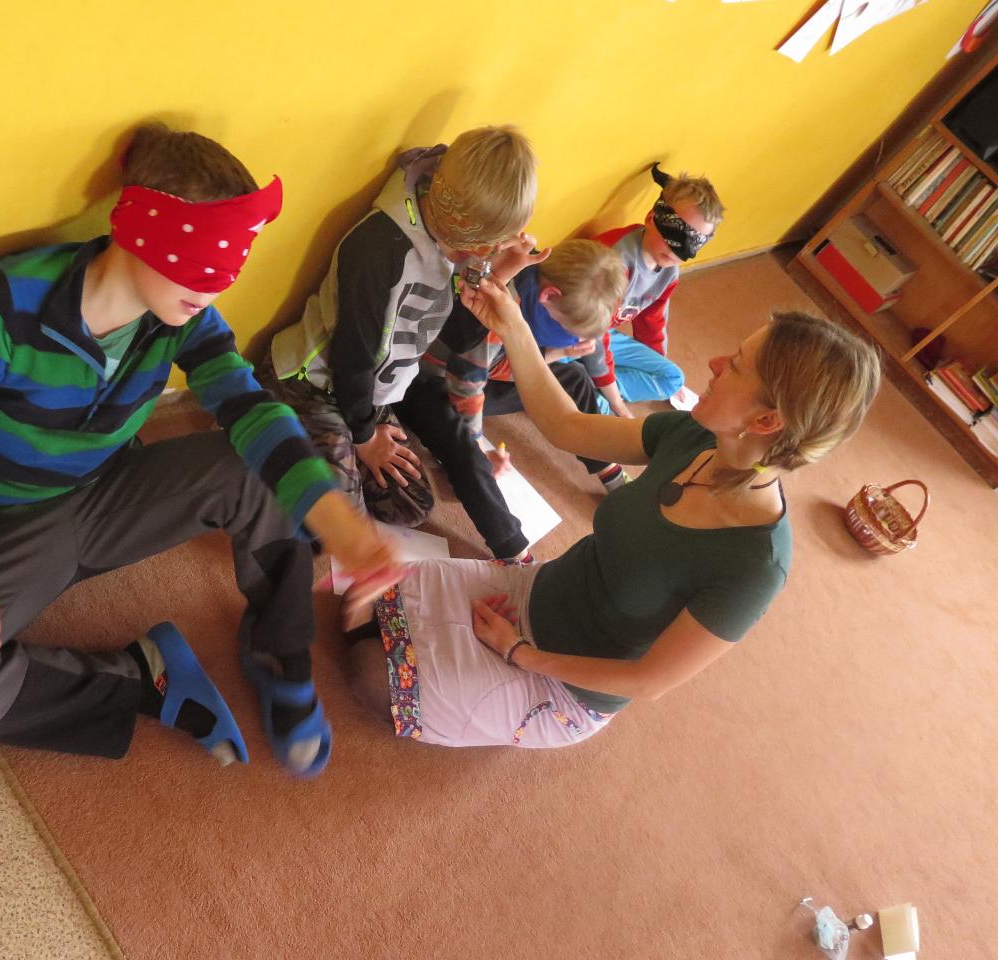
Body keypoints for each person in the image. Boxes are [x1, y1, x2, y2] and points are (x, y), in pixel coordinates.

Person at [0, 122, 399, 778]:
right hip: (9, 524)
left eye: (225, 274)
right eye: (199, 268)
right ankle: (141, 677)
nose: (212, 292)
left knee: (263, 466)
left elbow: (251, 411)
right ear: (140, 232)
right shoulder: (5, 302)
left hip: (109, 494)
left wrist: (339, 524)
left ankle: (279, 655)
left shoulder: (185, 318)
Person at [342, 276, 880, 748]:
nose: (715, 364)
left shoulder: (756, 562)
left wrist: (520, 653)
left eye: (735, 366)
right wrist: (512, 324)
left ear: (765, 422)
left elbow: (648, 681)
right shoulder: (695, 435)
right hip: (538, 590)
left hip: (565, 684)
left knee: (369, 673)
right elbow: (567, 426)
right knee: (363, 606)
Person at [262, 126, 537, 561]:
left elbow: (453, 336)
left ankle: (323, 454)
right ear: (460, 225)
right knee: (331, 534)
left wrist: (497, 274)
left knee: (411, 506)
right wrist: (364, 436)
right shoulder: (378, 246)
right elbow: (351, 359)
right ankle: (267, 432)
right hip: (311, 381)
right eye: (481, 247)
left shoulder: (455, 241)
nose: (481, 256)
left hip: (373, 391)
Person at [422, 236, 631, 493]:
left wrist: (560, 352)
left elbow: (508, 360)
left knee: (575, 376)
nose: (575, 339)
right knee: (453, 426)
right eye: (565, 327)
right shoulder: (498, 303)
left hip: (482, 368)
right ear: (549, 295)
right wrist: (478, 449)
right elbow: (468, 384)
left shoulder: (542, 278)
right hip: (439, 378)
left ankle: (608, 472)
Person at [593, 163, 725, 414]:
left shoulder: (668, 273)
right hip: (571, 336)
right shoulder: (614, 262)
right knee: (602, 407)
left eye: (692, 245)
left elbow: (652, 322)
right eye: (675, 235)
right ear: (652, 218)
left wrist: (655, 362)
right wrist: (612, 395)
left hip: (604, 336)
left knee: (672, 378)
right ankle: (592, 388)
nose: (677, 252)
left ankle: (594, 388)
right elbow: (590, 330)